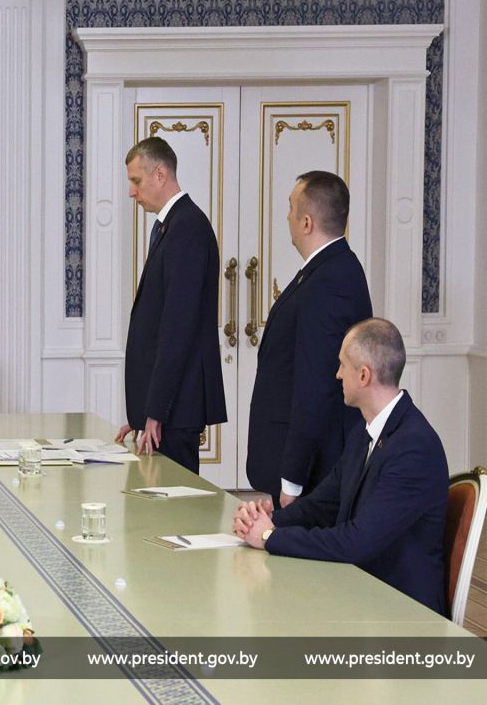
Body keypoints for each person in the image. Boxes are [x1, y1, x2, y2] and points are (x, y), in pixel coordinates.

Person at [234, 319, 448, 615]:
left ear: (363, 375)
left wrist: (270, 537)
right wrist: (267, 521)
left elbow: (356, 542)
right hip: (362, 591)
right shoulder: (365, 431)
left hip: (401, 612)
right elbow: (322, 505)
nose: (337, 374)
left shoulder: (414, 447)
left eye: (342, 365)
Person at [247, 171, 372, 507]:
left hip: (315, 470)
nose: (287, 216)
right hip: (307, 463)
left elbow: (315, 385)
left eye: (291, 208)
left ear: (306, 222)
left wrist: (293, 480)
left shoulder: (330, 279)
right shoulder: (325, 270)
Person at [117, 137, 227, 473]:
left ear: (160, 174)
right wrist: (142, 413)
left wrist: (156, 411)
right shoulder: (174, 225)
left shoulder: (187, 228)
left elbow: (178, 328)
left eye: (136, 181)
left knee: (175, 499)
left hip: (176, 408)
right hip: (169, 409)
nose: (132, 192)